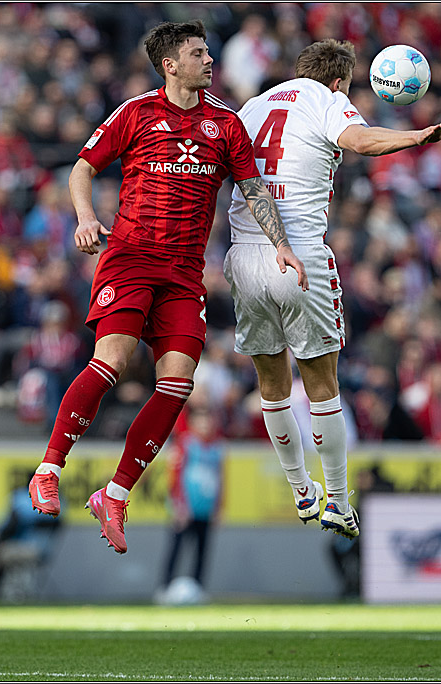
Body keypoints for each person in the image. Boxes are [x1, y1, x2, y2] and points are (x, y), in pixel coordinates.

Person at [27, 20, 306, 555]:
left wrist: (282, 245)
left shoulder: (226, 124)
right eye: (198, 53)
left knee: (178, 384)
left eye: (208, 52)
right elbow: (82, 168)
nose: (209, 60)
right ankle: (49, 468)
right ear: (170, 65)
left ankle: (114, 495)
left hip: (184, 272)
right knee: (112, 360)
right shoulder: (136, 112)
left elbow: (252, 189)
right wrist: (85, 217)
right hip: (130, 257)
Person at [224, 39, 441, 538]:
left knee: (272, 386)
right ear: (338, 81)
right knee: (322, 388)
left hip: (244, 255)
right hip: (299, 254)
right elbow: (361, 141)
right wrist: (415, 138)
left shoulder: (253, 105)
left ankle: (301, 488)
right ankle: (340, 502)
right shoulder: (325, 99)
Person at [156, 405, 224, 604]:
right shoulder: (185, 444)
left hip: (206, 509)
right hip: (186, 509)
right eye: (201, 422)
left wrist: (219, 507)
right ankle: (164, 587)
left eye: (208, 421)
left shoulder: (218, 448)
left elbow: (221, 479)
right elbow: (176, 476)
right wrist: (179, 505)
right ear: (193, 423)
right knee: (176, 548)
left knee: (202, 551)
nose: (205, 425)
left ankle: (199, 588)